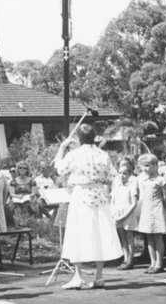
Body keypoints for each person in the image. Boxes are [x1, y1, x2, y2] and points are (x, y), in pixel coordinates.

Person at [52, 123, 123, 289]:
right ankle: (99, 276)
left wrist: (62, 148)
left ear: (79, 138)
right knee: (99, 234)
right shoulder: (102, 154)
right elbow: (113, 175)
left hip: (81, 195)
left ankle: (77, 276)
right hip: (99, 196)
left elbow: (60, 169)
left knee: (77, 233)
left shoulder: (74, 154)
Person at [136, 153, 166, 274]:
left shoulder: (160, 180)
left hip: (157, 209)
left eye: (148, 165)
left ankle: (159, 263)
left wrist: (162, 209)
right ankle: (152, 262)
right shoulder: (144, 180)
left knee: (157, 237)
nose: (145, 168)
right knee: (149, 237)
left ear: (155, 165)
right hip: (147, 210)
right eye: (143, 166)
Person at [111, 155, 139, 270]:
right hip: (117, 215)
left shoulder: (131, 185)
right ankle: (125, 259)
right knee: (122, 238)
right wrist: (113, 213)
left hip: (127, 214)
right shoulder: (117, 185)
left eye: (124, 174)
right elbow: (112, 201)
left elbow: (134, 203)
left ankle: (131, 260)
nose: (121, 176)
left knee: (129, 237)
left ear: (129, 174)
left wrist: (124, 216)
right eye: (120, 173)